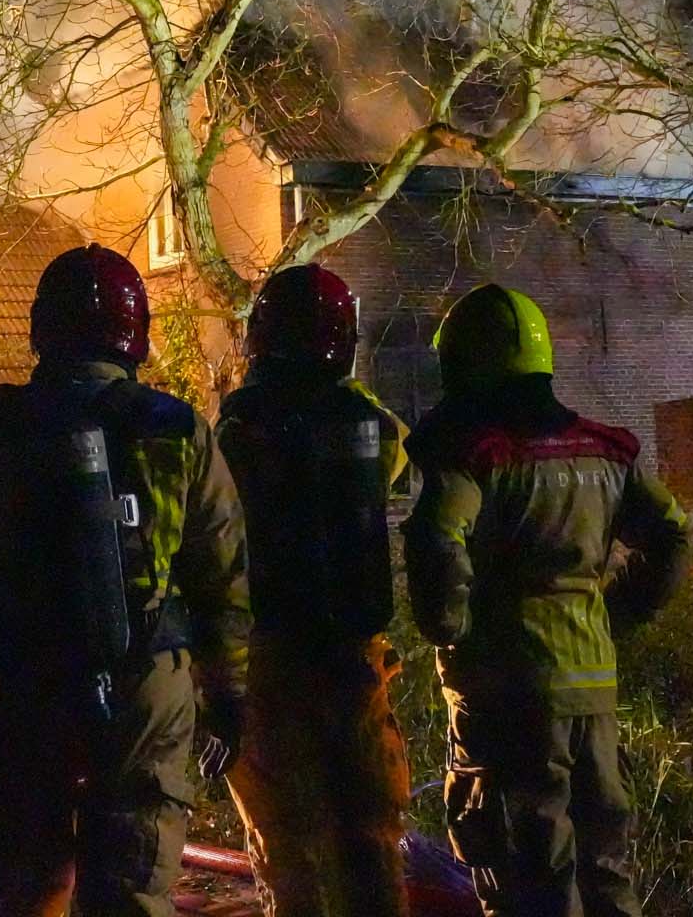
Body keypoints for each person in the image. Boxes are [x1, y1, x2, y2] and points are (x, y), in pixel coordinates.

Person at [0, 244, 251, 917]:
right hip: (149, 684)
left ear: (42, 329)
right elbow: (220, 574)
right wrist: (229, 691)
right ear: (134, 331)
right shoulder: (177, 430)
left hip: (30, 680)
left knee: (18, 886)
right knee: (133, 891)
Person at [402, 285, 690, 917]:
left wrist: (450, 626)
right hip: (593, 685)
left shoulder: (477, 455)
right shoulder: (608, 453)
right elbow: (672, 536)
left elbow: (437, 536)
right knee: (607, 869)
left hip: (509, 693)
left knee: (529, 872)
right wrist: (616, 615)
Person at [214, 264, 412, 917]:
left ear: (261, 335)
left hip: (271, 665)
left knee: (291, 852)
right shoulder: (366, 425)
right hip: (355, 663)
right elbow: (397, 452)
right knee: (372, 847)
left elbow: (213, 532)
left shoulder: (239, 427)